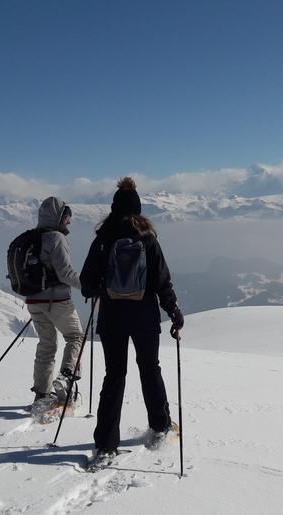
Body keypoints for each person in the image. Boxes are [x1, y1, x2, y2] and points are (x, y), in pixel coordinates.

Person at [80, 177, 184, 469]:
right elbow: (161, 280)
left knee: (114, 376)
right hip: (144, 315)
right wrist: (173, 310)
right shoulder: (147, 237)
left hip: (112, 317)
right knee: (150, 370)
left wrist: (103, 289)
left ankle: (105, 444)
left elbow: (86, 284)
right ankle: (161, 427)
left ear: (114, 207)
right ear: (138, 208)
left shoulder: (103, 239)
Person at [24, 196, 85, 409]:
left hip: (33, 300)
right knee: (75, 336)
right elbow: (66, 273)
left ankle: (41, 394)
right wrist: (87, 285)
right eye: (67, 218)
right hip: (56, 300)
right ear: (59, 217)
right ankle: (66, 379)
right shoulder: (56, 239)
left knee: (46, 345)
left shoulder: (31, 238)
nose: (68, 222)